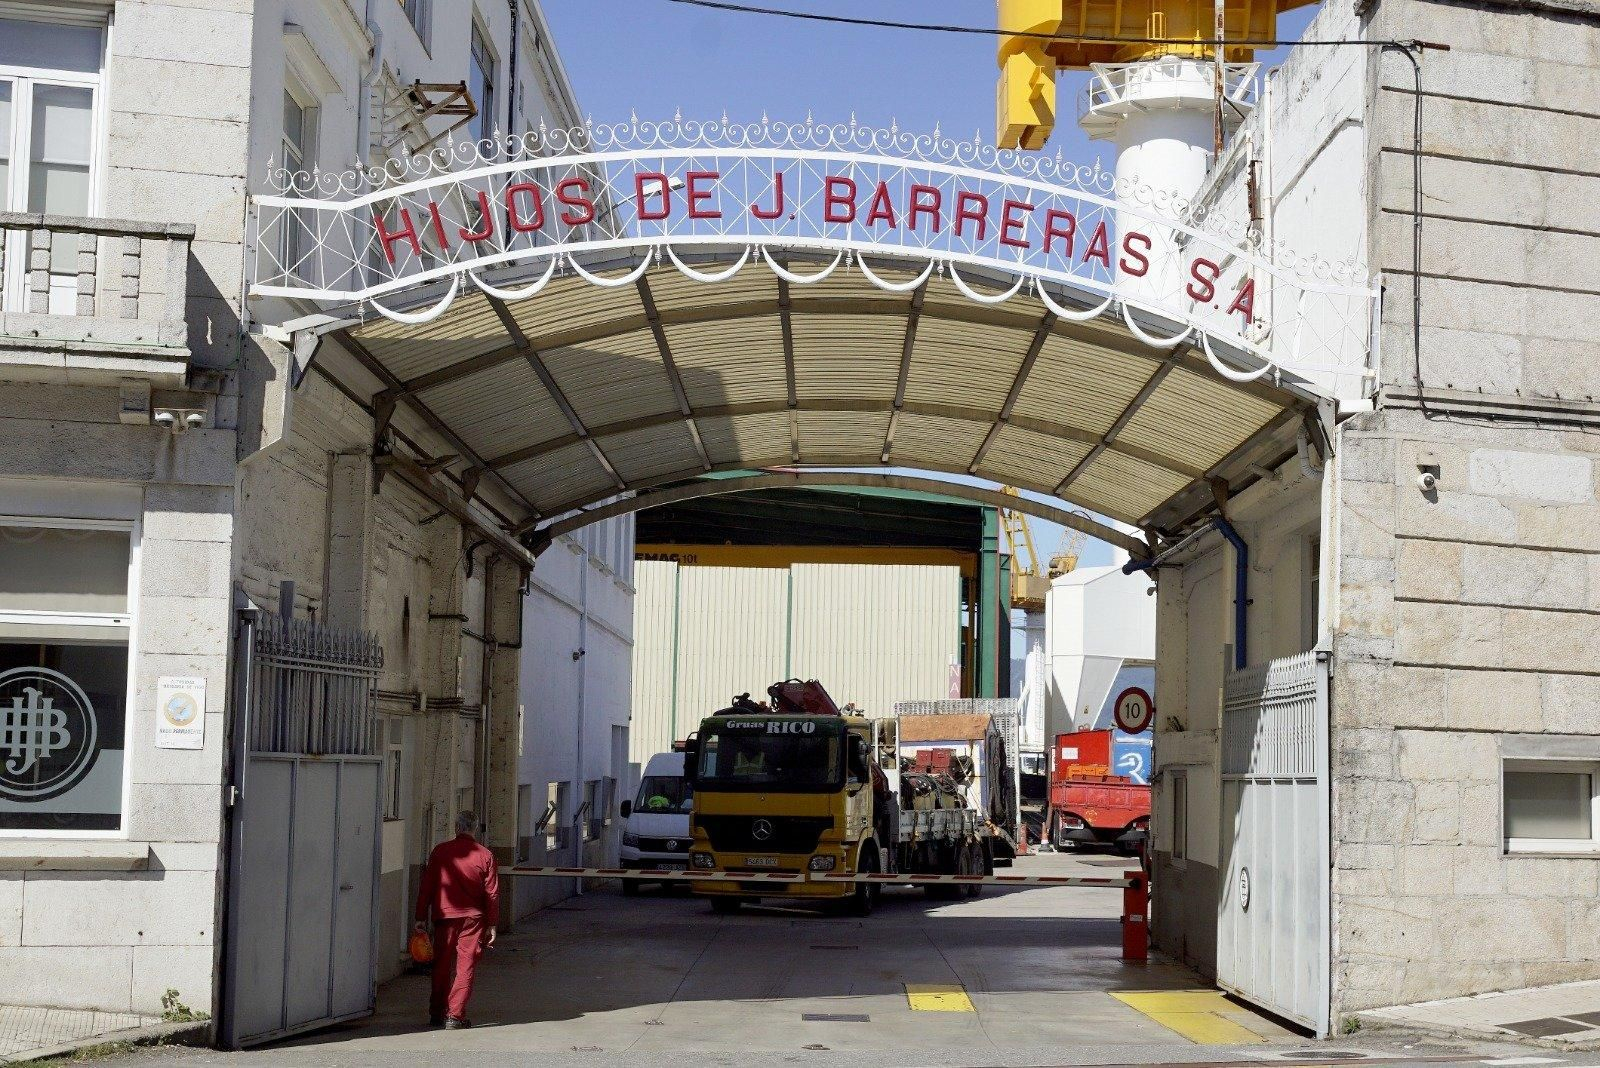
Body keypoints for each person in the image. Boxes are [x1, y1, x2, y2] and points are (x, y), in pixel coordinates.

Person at [414, 811, 500, 1029]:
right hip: (473, 919)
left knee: (441, 965)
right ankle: (455, 1016)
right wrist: (492, 923)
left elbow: (427, 886)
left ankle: (436, 1013)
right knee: (466, 966)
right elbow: (492, 894)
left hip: (445, 916)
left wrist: (420, 917)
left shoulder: (440, 852)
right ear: (475, 829)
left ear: (455, 827)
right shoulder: (485, 855)